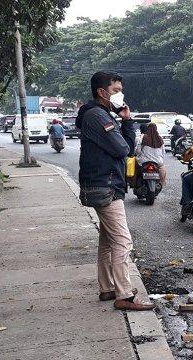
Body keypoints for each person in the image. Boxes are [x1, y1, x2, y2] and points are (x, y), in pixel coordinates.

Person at [76, 71, 153, 311]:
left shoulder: (103, 114)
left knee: (108, 241)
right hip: (105, 185)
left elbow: (127, 148)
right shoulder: (97, 116)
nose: (120, 95)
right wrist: (123, 126)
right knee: (122, 241)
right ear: (101, 92)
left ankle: (107, 288)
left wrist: (127, 120)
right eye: (116, 90)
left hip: (104, 184)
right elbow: (122, 149)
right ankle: (124, 295)